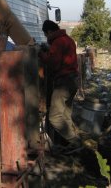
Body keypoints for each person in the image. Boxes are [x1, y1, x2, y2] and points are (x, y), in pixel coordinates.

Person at [39, 20, 81, 152]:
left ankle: (76, 142)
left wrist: (42, 55)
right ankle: (71, 145)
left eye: (46, 35)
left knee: (55, 117)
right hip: (73, 81)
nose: (47, 38)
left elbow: (53, 64)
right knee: (65, 114)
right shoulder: (68, 39)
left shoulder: (57, 42)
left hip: (64, 83)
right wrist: (49, 51)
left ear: (50, 32)